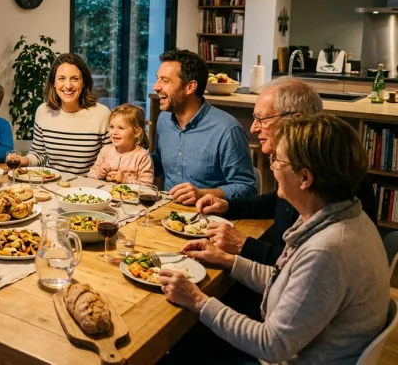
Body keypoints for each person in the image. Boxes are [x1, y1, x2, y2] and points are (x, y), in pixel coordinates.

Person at [160, 114, 390, 364]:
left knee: (176, 343)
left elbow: (271, 345)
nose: (272, 167)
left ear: (305, 178)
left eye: (276, 160)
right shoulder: (343, 214)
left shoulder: (328, 250)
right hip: (305, 345)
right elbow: (287, 280)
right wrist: (228, 260)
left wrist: (197, 299)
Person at [195, 76, 378, 266]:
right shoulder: (299, 161)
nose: (253, 128)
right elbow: (277, 202)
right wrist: (228, 206)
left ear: (294, 121)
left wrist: (243, 245)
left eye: (261, 119)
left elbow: (304, 264)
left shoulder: (333, 175)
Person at [152, 49, 256, 203]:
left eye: (165, 81)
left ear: (190, 87)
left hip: (211, 220)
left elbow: (247, 188)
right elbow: (161, 164)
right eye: (157, 79)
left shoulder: (227, 130)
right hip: (166, 214)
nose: (156, 87)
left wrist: (202, 194)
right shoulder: (164, 120)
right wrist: (131, 160)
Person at [21, 53, 110, 175]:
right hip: (50, 185)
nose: (68, 86)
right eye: (61, 78)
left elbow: (110, 158)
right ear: (54, 82)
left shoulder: (102, 114)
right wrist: (22, 160)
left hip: (87, 189)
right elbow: (39, 154)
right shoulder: (43, 111)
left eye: (75, 79)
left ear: (83, 82)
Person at [88, 103, 154, 184]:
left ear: (137, 132)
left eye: (121, 128)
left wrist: (125, 180)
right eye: (111, 127)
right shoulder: (105, 150)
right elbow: (90, 174)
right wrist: (99, 173)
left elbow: (147, 186)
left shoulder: (142, 156)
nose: (114, 132)